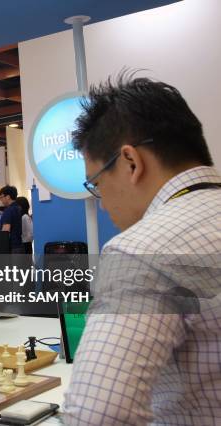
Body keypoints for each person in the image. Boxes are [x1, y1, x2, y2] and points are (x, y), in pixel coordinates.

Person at [63, 73, 221, 425]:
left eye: (97, 183)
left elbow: (97, 415)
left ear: (131, 162)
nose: (102, 203)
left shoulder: (142, 250)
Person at [0, 185, 23, 253]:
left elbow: (5, 231)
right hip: (19, 245)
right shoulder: (18, 208)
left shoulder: (8, 210)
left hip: (11, 247)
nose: (1, 200)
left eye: (1, 197)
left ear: (8, 197)